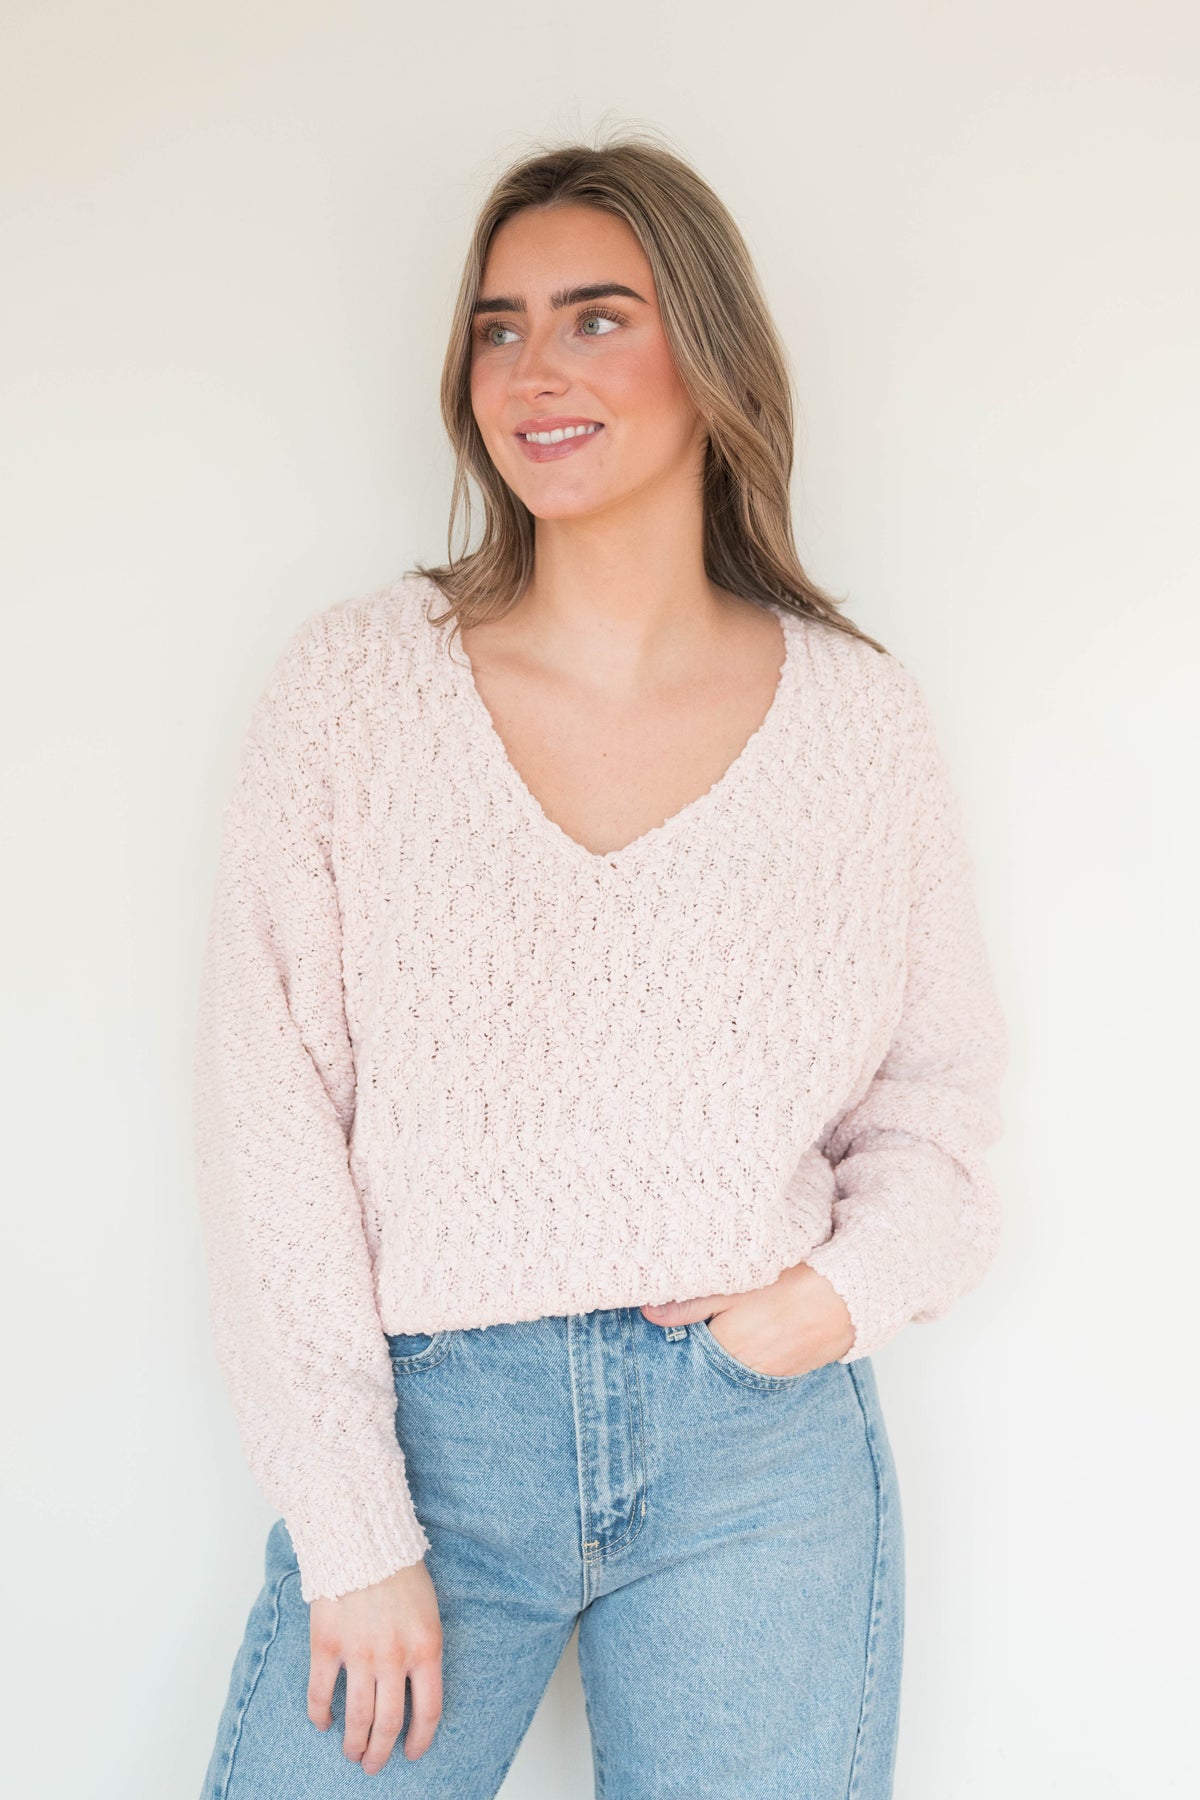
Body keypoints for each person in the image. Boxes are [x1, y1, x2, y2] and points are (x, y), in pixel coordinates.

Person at [193, 130, 1008, 1799]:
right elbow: (268, 1118)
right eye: (498, 327)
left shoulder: (859, 723)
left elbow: (939, 1113)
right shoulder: (356, 691)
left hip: (757, 1460)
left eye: (595, 318)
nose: (532, 372)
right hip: (434, 1446)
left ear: (708, 355)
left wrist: (815, 1311)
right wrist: (353, 1529)